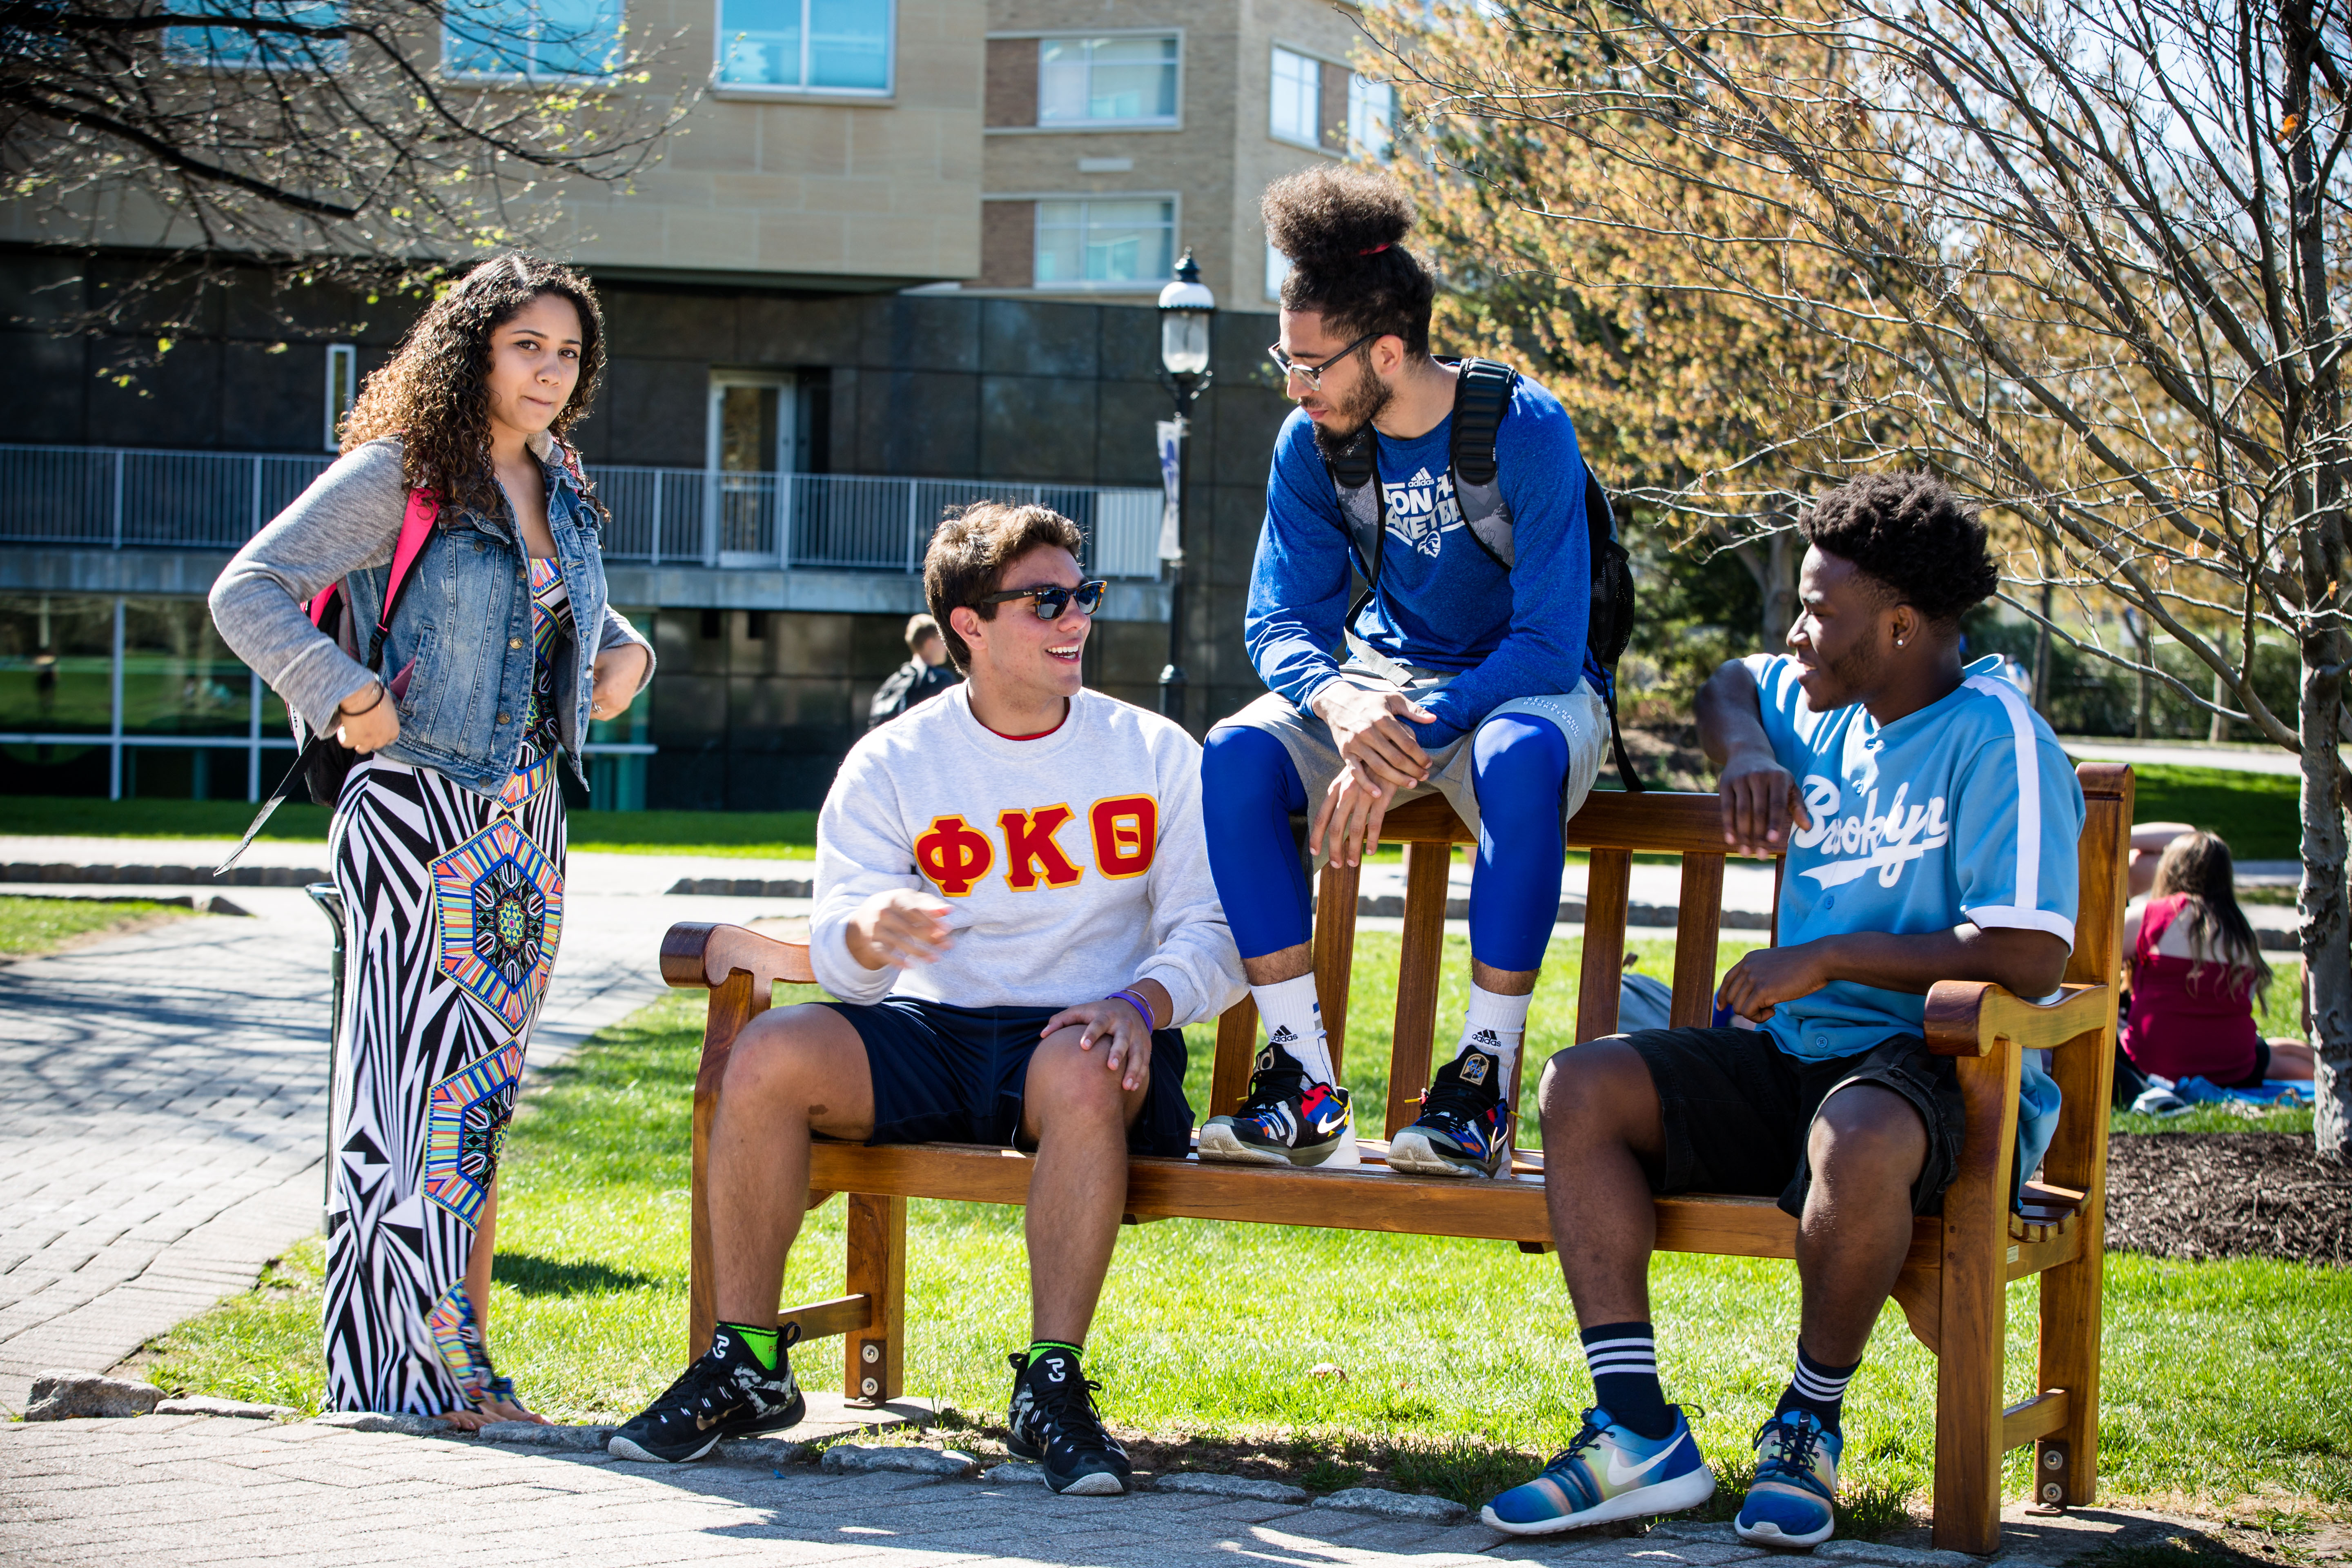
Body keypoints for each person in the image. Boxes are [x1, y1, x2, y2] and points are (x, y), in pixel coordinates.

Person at [1483, 474, 2083, 1548]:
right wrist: (1750, 753)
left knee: (1854, 1132)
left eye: (1819, 610)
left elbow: (2032, 954)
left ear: (1900, 627)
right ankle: (1635, 1432)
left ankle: (1807, 1424)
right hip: (1794, 1063)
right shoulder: (1825, 707)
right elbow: (1729, 683)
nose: (1798, 633)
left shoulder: (1999, 741)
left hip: (1935, 1081)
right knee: (1585, 1089)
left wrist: (1830, 957)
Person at [609, 502, 1243, 1495]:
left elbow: (1212, 928)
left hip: (1091, 1031)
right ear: (969, 627)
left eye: (1081, 594)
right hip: (932, 1033)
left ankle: (1049, 1384)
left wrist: (1146, 999)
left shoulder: (1153, 753)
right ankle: (748, 1360)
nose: (1073, 615)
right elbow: (849, 946)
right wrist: (863, 937)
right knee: (769, 1056)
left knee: (1079, 1066)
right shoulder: (895, 762)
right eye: (1044, 599)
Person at [210, 255, 653, 1426]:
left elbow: (576, 611)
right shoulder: (401, 472)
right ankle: (383, 1377)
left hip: (526, 832)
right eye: (528, 347)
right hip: (417, 813)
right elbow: (247, 591)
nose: (551, 371)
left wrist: (630, 656)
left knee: (476, 1109)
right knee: (398, 1106)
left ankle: (463, 1365)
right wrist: (347, 694)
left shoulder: (560, 483)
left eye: (568, 353)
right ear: (474, 351)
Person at [1196, 165, 1608, 1177]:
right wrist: (1339, 699)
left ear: (1385, 350)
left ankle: (1478, 1090)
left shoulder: (1522, 428)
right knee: (1234, 755)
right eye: (1284, 362)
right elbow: (1276, 619)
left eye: (1311, 366)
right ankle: (1300, 1080)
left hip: (1524, 693)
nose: (1294, 387)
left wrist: (1408, 730)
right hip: (1381, 687)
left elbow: (1550, 639)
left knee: (1514, 755)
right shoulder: (1311, 446)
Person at [2120, 830, 2314, 1089]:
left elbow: (2095, 963)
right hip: (2234, 1066)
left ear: (2172, 871)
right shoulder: (2241, 930)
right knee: (2278, 1050)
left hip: (2153, 1061)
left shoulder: (2152, 915)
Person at [866, 611, 961, 730]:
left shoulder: (894, 680)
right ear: (930, 643)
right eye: (942, 640)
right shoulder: (939, 679)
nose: (946, 647)